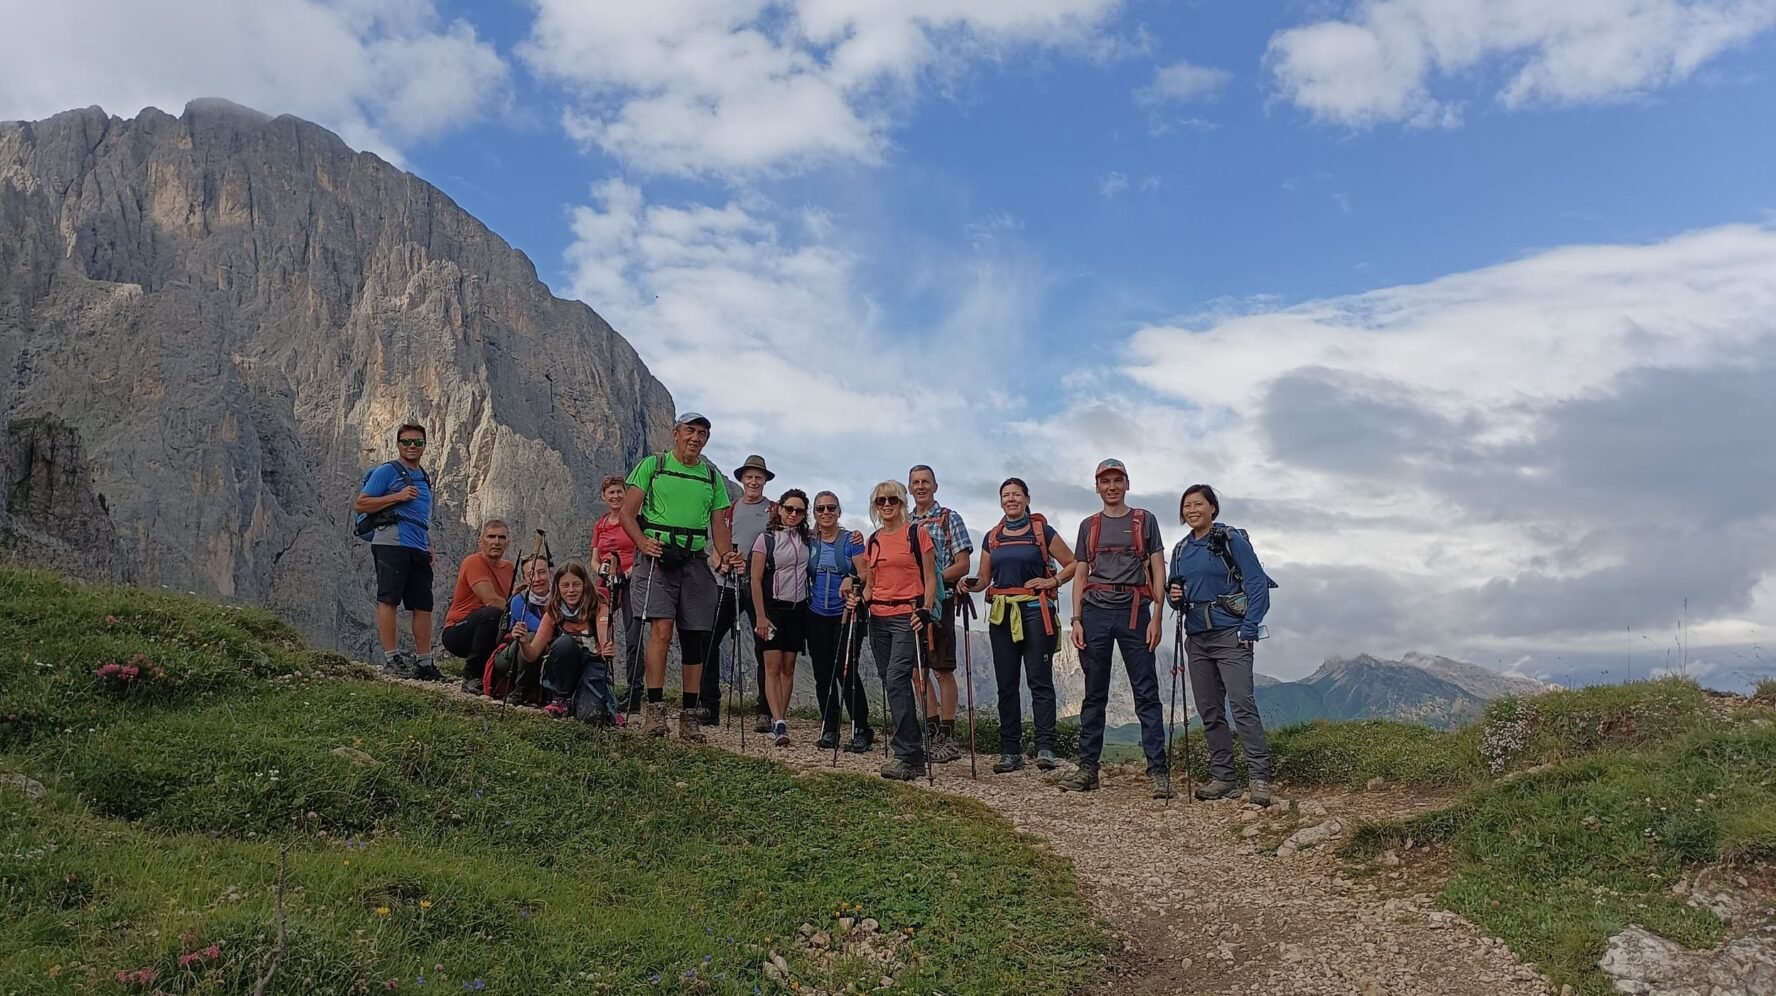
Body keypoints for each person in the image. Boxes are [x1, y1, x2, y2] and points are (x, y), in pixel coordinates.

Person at [619, 412, 739, 740]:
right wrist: (642, 541)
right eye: (691, 430)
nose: (696, 438)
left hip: (694, 559)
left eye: (703, 433)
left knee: (695, 636)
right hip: (657, 558)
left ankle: (689, 715)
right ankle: (655, 713)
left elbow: (718, 525)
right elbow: (627, 512)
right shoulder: (653, 466)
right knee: (661, 629)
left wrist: (727, 555)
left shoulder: (712, 477)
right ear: (675, 433)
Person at [1066, 459, 1173, 799]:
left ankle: (1158, 771)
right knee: (1094, 693)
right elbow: (1081, 574)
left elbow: (1158, 569)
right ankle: (1088, 768)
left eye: (1117, 480)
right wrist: (1076, 620)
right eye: (1105, 481)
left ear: (1126, 484)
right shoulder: (1088, 526)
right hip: (1095, 612)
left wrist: (1157, 616)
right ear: (1097, 487)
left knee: (1146, 691)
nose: (1111, 487)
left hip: (1135, 612)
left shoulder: (1145, 521)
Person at [1166, 484, 1275, 806]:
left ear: (1213, 508)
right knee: (1210, 711)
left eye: (1198, 504)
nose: (1191, 510)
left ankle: (1259, 778)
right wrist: (1175, 597)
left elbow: (1256, 583)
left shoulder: (1230, 540)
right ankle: (1223, 778)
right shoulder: (1180, 550)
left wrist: (1250, 626)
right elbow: (1177, 595)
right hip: (1197, 637)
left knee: (1242, 705)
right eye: (1186, 506)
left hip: (1231, 636)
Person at [960, 478, 1077, 773]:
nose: (1011, 499)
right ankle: (1010, 751)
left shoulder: (1042, 532)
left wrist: (1052, 581)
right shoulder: (992, 536)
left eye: (1016, 494)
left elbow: (1073, 563)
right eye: (1006, 495)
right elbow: (985, 578)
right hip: (1002, 613)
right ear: (1000, 501)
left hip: (1036, 610)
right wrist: (970, 584)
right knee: (1007, 683)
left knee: (1039, 679)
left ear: (1027, 498)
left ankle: (1045, 748)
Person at [853, 481, 938, 781]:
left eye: (892, 500)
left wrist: (926, 611)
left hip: (907, 616)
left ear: (902, 503)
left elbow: (931, 578)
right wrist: (856, 600)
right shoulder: (874, 540)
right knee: (891, 682)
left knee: (896, 677)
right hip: (878, 616)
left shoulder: (917, 533)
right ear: (875, 506)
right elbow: (871, 585)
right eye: (880, 501)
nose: (886, 505)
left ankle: (907, 755)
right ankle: (912, 753)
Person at [354, 422, 437, 680]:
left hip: (418, 544)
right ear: (398, 445)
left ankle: (425, 663)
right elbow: (361, 504)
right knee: (388, 599)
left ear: (424, 445)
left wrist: (428, 542)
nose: (412, 446)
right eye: (406, 442)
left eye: (417, 442)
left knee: (423, 604)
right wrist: (397, 497)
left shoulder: (424, 476)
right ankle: (392, 658)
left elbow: (421, 514)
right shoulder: (387, 471)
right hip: (391, 541)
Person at [702, 454, 775, 732]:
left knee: (764, 647)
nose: (754, 481)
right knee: (708, 639)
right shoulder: (729, 511)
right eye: (749, 476)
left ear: (765, 481)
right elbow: (714, 550)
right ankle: (709, 705)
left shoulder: (775, 511)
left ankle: (765, 711)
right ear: (742, 480)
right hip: (728, 584)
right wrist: (720, 562)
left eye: (759, 477)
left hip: (760, 587)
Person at [907, 465, 973, 764]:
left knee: (941, 667)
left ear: (935, 486)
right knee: (916, 668)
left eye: (925, 482)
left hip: (941, 600)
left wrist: (931, 582)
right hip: (910, 601)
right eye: (915, 482)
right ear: (910, 488)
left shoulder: (949, 518)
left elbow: (963, 564)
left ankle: (948, 735)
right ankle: (932, 731)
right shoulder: (906, 523)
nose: (920, 487)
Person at [806, 491, 873, 753]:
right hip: (815, 615)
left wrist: (852, 579)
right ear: (814, 512)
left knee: (847, 672)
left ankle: (861, 728)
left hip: (847, 613)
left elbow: (866, 572)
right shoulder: (809, 540)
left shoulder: (851, 541)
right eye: (820, 508)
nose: (826, 512)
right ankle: (830, 726)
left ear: (839, 511)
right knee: (822, 673)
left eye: (831, 508)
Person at [750, 489, 812, 746]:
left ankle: (782, 718)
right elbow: (754, 579)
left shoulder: (808, 539)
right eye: (789, 509)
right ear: (780, 509)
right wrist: (761, 617)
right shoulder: (765, 539)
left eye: (799, 511)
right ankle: (778, 722)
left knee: (789, 667)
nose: (793, 514)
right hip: (773, 607)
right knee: (772, 667)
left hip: (798, 609)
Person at [519, 563, 618, 722]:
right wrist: (523, 642)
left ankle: (581, 699)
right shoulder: (553, 612)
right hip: (564, 670)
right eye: (565, 585)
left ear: (584, 585)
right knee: (565, 643)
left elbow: (603, 634)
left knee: (592, 717)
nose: (571, 590)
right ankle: (561, 699)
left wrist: (607, 646)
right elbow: (531, 655)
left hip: (592, 665)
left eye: (576, 584)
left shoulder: (599, 608)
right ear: (558, 588)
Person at [591, 475, 646, 712]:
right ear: (604, 497)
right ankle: (598, 682)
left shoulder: (634, 520)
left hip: (631, 580)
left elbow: (641, 550)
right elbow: (594, 558)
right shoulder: (600, 524)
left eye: (619, 492)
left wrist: (627, 572)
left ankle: (634, 692)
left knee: (633, 636)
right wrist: (602, 569)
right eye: (611, 492)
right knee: (598, 630)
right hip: (605, 581)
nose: (615, 496)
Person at [441, 520, 514, 695]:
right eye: (491, 536)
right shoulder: (473, 561)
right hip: (458, 630)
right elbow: (491, 600)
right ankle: (471, 676)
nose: (496, 541)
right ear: (480, 541)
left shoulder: (510, 568)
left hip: (489, 629)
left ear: (507, 543)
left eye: (501, 537)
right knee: (492, 613)